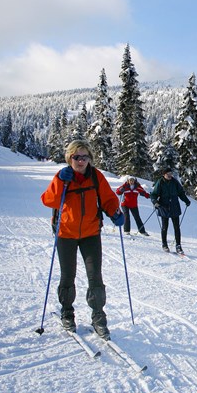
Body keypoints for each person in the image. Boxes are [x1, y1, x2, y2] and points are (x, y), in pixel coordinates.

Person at [41, 139, 124, 340]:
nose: (80, 161)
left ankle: (98, 318)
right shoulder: (63, 178)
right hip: (66, 234)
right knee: (68, 275)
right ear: (69, 158)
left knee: (95, 276)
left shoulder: (96, 177)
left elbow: (108, 198)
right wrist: (60, 180)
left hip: (91, 234)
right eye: (76, 157)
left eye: (84, 157)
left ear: (90, 159)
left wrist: (115, 212)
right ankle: (67, 313)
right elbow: (48, 200)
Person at [150, 167, 191, 254]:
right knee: (165, 227)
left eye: (170, 174)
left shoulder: (174, 182)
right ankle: (164, 244)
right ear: (164, 175)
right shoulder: (160, 182)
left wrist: (186, 201)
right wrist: (155, 202)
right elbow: (154, 194)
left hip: (174, 206)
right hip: (164, 207)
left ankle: (178, 245)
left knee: (177, 227)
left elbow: (181, 193)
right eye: (168, 174)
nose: (169, 176)